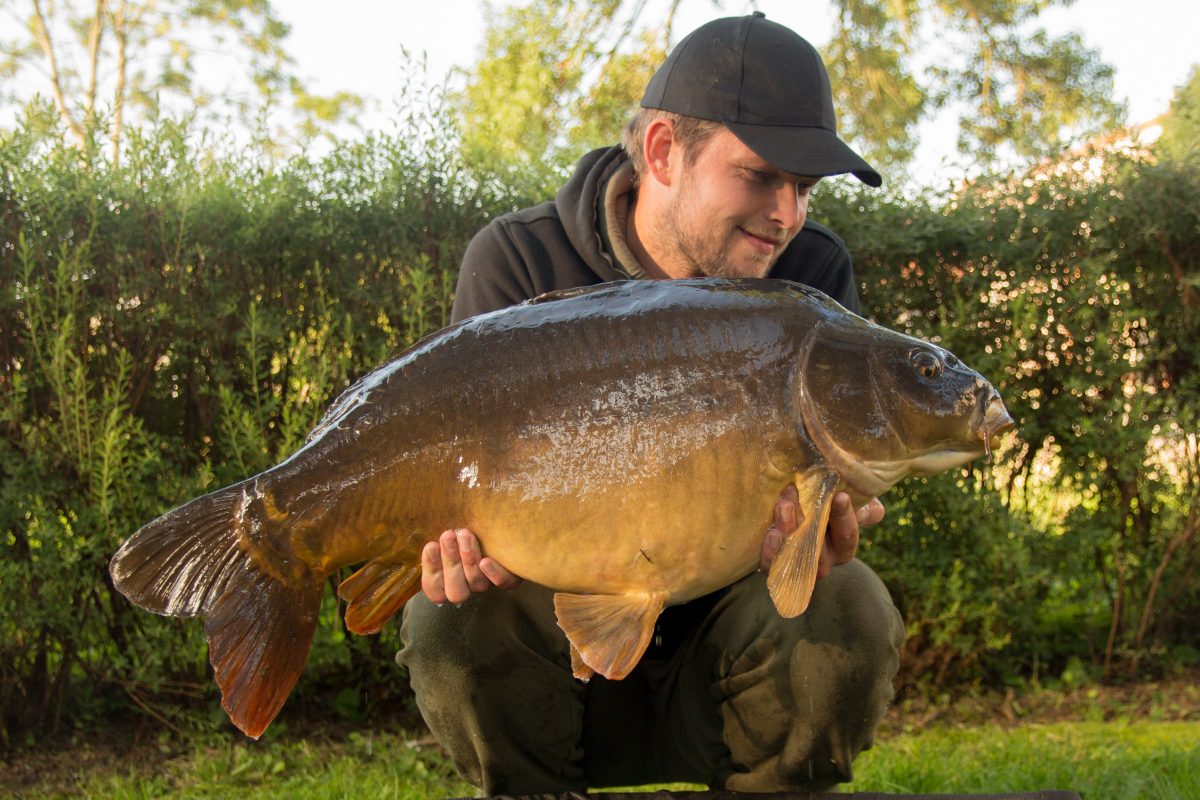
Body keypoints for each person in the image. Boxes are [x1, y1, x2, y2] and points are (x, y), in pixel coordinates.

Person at [396, 13, 904, 795]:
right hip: (560, 692)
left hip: (726, 682)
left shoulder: (808, 275)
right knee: (449, 619)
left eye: (803, 187)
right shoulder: (520, 261)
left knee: (848, 604)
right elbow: (456, 494)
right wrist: (455, 546)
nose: (789, 215)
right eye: (763, 175)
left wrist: (819, 531)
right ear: (665, 150)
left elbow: (819, 526)